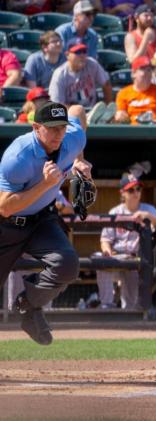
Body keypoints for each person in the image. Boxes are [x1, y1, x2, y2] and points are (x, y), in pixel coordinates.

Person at [0, 101, 92, 345]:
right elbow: (5, 207)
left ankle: (27, 305)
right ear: (35, 127)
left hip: (41, 219)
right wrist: (45, 185)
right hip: (6, 225)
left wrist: (78, 160)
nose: (58, 134)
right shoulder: (17, 157)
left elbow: (78, 111)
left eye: (61, 127)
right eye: (51, 128)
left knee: (66, 264)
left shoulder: (71, 139)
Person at [96, 172, 156, 309]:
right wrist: (107, 251)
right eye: (131, 190)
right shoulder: (115, 211)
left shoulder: (148, 209)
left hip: (136, 260)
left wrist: (147, 216)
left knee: (131, 305)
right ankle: (107, 305)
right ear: (122, 193)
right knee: (100, 259)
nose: (136, 193)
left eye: (138, 189)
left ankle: (128, 319)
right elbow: (105, 239)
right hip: (116, 257)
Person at [49, 41, 112, 109]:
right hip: (69, 115)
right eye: (78, 52)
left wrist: (107, 105)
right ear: (67, 54)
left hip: (92, 111)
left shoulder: (91, 64)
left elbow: (106, 84)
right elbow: (57, 105)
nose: (82, 55)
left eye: (84, 51)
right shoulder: (60, 74)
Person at [115, 56, 156, 125]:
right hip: (133, 131)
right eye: (143, 69)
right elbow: (121, 114)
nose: (147, 73)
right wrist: (121, 116)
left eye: (149, 70)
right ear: (133, 74)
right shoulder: (124, 93)